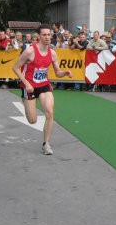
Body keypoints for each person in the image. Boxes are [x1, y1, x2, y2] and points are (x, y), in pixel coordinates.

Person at [12, 25, 72, 155]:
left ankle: (46, 144)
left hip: (44, 85)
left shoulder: (53, 53)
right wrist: (26, 83)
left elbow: (57, 73)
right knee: (32, 120)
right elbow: (15, 68)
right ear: (39, 36)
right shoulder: (30, 51)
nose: (47, 37)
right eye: (44, 35)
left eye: (49, 35)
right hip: (29, 87)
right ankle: (26, 101)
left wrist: (65, 73)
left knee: (50, 112)